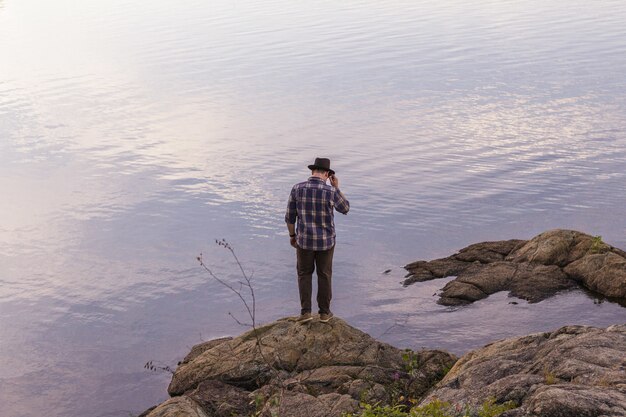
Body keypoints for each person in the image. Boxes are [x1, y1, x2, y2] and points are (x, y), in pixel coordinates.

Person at [285, 157, 350, 323]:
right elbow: (345, 208)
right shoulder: (330, 191)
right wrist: (337, 188)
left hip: (304, 241)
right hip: (326, 242)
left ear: (312, 171)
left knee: (304, 274)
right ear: (327, 174)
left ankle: (306, 312)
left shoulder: (297, 188)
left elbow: (290, 217)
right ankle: (324, 313)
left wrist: (293, 236)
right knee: (324, 274)